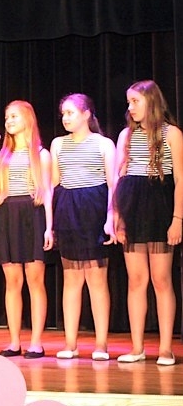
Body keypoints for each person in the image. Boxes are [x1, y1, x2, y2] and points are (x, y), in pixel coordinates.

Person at [114, 80, 182, 366]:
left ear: (151, 101)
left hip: (159, 204)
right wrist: (118, 218)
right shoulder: (127, 135)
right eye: (129, 102)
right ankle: (137, 347)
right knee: (136, 280)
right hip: (132, 206)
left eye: (135, 101)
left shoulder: (171, 133)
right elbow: (120, 178)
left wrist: (178, 218)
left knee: (161, 279)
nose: (130, 107)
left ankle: (165, 348)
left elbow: (180, 179)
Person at [50, 93, 116, 361]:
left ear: (86, 114)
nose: (65, 118)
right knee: (72, 279)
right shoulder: (58, 144)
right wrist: (51, 223)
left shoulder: (103, 144)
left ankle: (101, 344)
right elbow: (54, 184)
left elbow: (113, 184)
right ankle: (70, 343)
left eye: (71, 113)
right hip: (67, 208)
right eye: (63, 114)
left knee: (96, 279)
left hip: (94, 207)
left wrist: (111, 216)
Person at [0, 100, 53, 359]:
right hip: (7, 215)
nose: (9, 121)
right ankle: (14, 341)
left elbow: (47, 192)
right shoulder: (1, 156)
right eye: (6, 117)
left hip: (32, 214)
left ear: (28, 118)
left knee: (35, 280)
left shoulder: (41, 154)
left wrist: (49, 227)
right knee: (12, 282)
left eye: (14, 116)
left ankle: (36, 342)